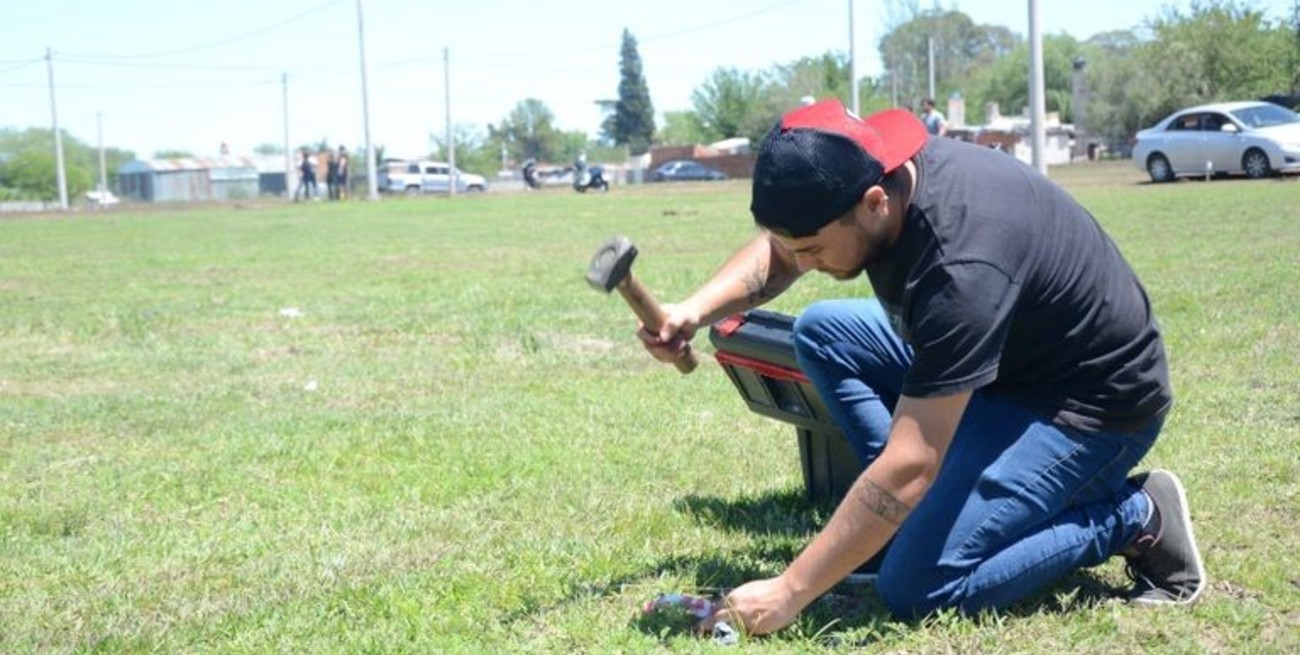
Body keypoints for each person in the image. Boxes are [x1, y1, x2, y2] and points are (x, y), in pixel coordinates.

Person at [637, 99, 1205, 635]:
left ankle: (1136, 515)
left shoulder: (960, 266)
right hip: (1002, 356)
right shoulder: (872, 169)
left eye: (811, 249)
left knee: (920, 585)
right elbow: (783, 249)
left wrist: (790, 590)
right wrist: (692, 311)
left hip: (1087, 405)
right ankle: (908, 523)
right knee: (824, 332)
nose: (799, 262)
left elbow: (911, 464)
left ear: (875, 204)